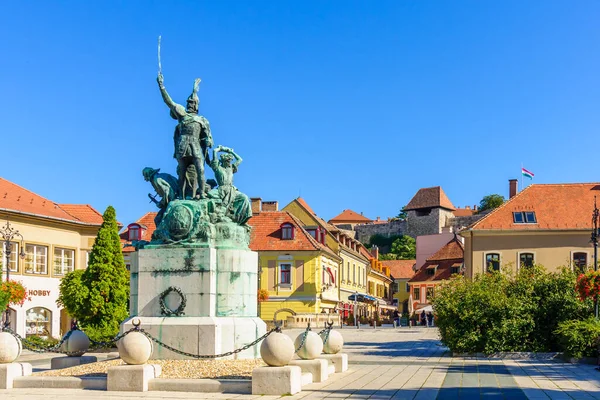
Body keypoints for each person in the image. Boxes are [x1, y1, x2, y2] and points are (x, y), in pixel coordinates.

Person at [157, 73, 213, 199]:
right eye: (189, 102)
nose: (190, 104)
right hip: (182, 145)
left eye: (192, 102)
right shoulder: (182, 114)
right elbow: (169, 102)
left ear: (197, 105)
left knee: (201, 170)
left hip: (195, 146)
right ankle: (182, 197)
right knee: (182, 172)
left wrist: (208, 141)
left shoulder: (202, 120)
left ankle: (202, 192)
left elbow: (207, 137)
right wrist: (161, 86)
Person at [209, 145, 252, 225]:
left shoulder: (231, 168)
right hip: (221, 190)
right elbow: (214, 151)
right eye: (228, 161)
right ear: (223, 161)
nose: (229, 162)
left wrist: (231, 151)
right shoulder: (217, 168)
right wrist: (220, 149)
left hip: (232, 190)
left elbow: (240, 159)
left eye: (230, 161)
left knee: (244, 198)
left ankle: (239, 219)